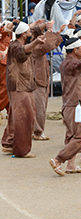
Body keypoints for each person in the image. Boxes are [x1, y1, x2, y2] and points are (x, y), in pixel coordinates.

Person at [48, 38, 81, 176]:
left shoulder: (69, 63)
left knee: (72, 136)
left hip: (71, 104)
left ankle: (71, 166)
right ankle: (58, 160)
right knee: (80, 137)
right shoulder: (72, 64)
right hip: (75, 105)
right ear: (75, 50)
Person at [1, 22, 46, 158]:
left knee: (16, 116)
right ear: (23, 34)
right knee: (25, 117)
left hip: (22, 85)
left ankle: (9, 143)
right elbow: (23, 52)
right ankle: (22, 150)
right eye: (28, 32)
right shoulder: (15, 46)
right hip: (19, 86)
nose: (30, 33)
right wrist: (36, 43)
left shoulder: (18, 44)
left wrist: (44, 25)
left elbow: (32, 36)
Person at [30, 21, 64, 141]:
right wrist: (49, 30)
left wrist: (57, 32)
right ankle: (37, 132)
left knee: (42, 106)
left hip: (43, 78)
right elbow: (47, 46)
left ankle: (37, 131)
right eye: (41, 35)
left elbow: (51, 45)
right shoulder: (35, 47)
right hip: (37, 80)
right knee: (39, 107)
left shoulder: (37, 45)